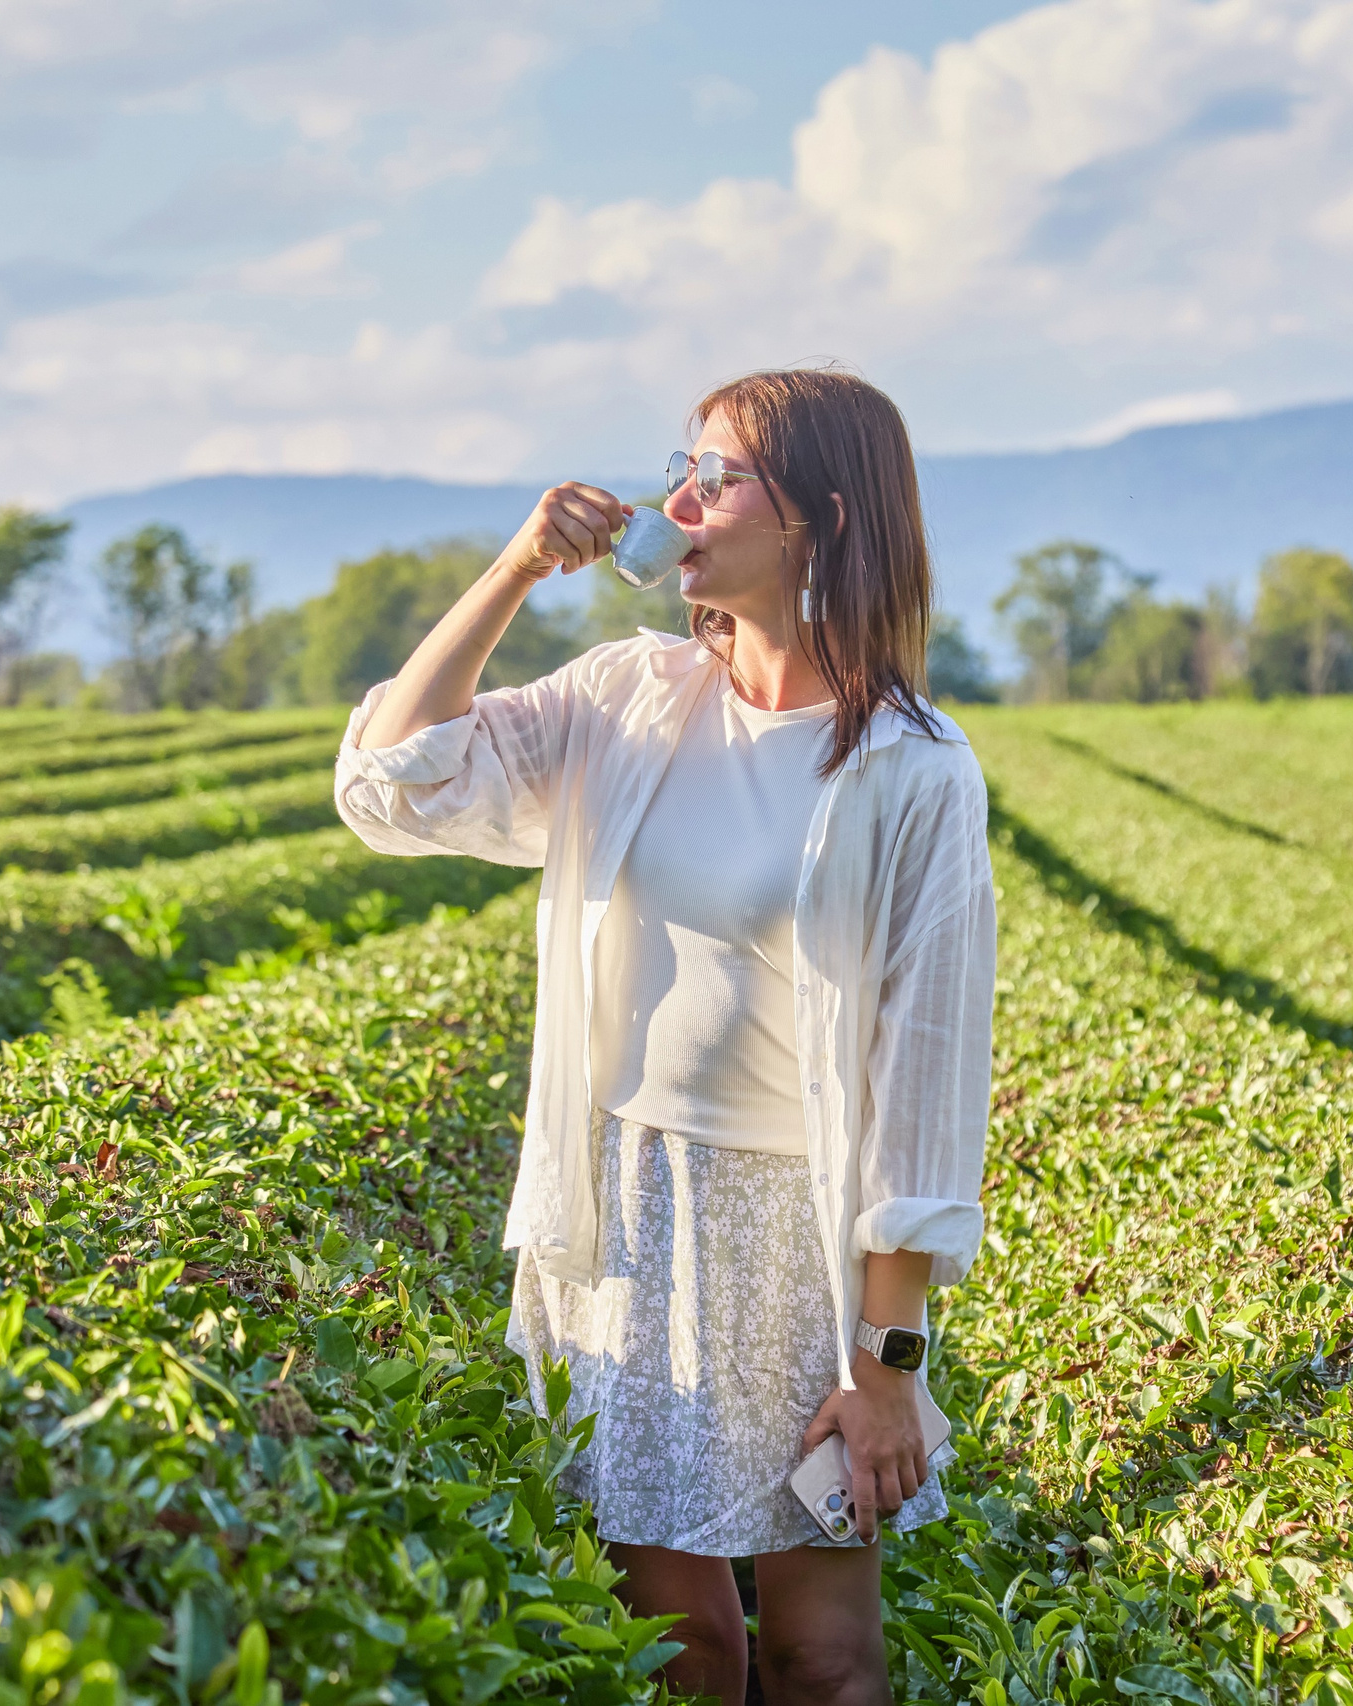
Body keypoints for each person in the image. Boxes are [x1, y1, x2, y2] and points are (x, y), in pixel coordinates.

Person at [333, 366, 995, 1704]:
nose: (681, 498)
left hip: (808, 1255)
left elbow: (925, 1089)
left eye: (721, 473)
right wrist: (520, 564)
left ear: (821, 515)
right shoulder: (629, 698)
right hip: (634, 1221)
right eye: (682, 465)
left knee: (825, 1648)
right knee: (680, 1647)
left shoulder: (915, 769)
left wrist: (888, 1366)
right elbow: (389, 782)